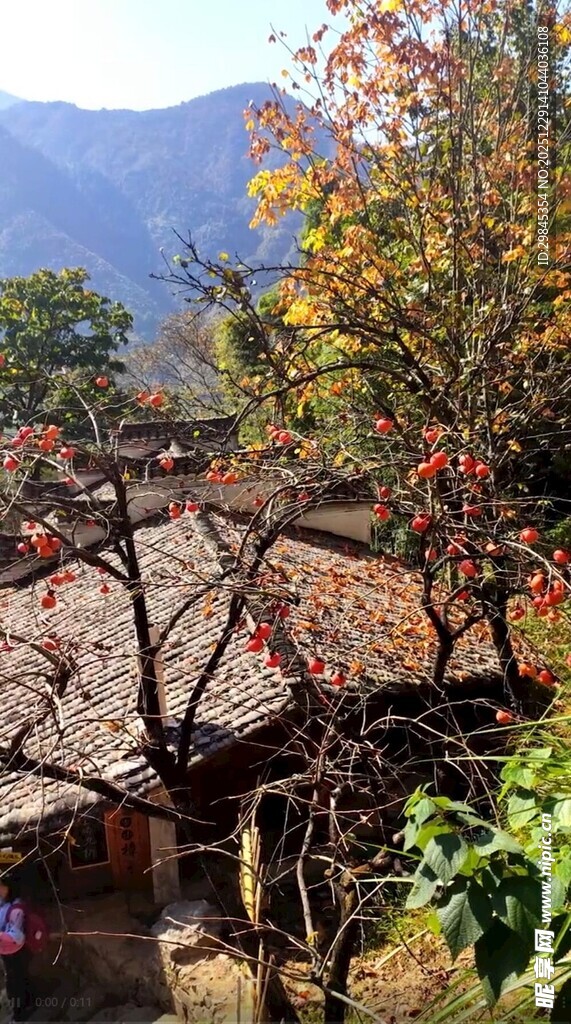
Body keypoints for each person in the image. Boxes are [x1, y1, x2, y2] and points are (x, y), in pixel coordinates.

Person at [0, 875, 30, 1022]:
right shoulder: (3, 904)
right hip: (4, 950)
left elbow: (17, 936)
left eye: (1, 886)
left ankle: (20, 1012)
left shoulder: (16, 909)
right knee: (11, 979)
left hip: (15, 950)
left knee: (15, 981)